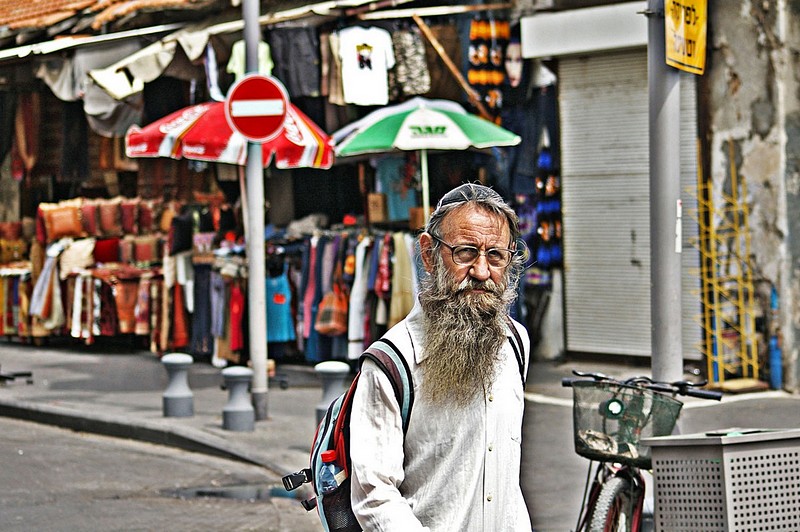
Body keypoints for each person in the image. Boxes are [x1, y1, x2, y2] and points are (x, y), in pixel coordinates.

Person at [349, 183, 532, 530]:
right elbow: (374, 495)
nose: (481, 271)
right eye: (465, 253)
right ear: (430, 255)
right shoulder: (392, 362)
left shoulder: (516, 342)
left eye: (495, 256)